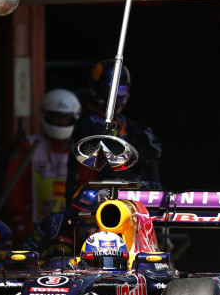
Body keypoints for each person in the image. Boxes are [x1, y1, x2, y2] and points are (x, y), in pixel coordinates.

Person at [65, 59, 162, 202]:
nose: (117, 95)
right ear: (97, 89)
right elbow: (105, 163)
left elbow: (137, 155)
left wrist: (147, 146)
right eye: (111, 89)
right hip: (88, 202)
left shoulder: (123, 122)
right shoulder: (87, 123)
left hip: (119, 201)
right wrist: (138, 183)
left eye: (121, 89)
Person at [3, 89, 81, 243]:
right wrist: (21, 224)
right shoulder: (28, 146)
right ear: (45, 115)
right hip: (33, 229)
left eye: (64, 118)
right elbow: (12, 188)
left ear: (73, 118)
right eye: (55, 117)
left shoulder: (80, 149)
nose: (59, 121)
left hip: (70, 229)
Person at [21, 186, 101, 262]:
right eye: (76, 212)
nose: (78, 219)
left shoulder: (109, 232)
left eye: (87, 218)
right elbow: (26, 254)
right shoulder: (55, 222)